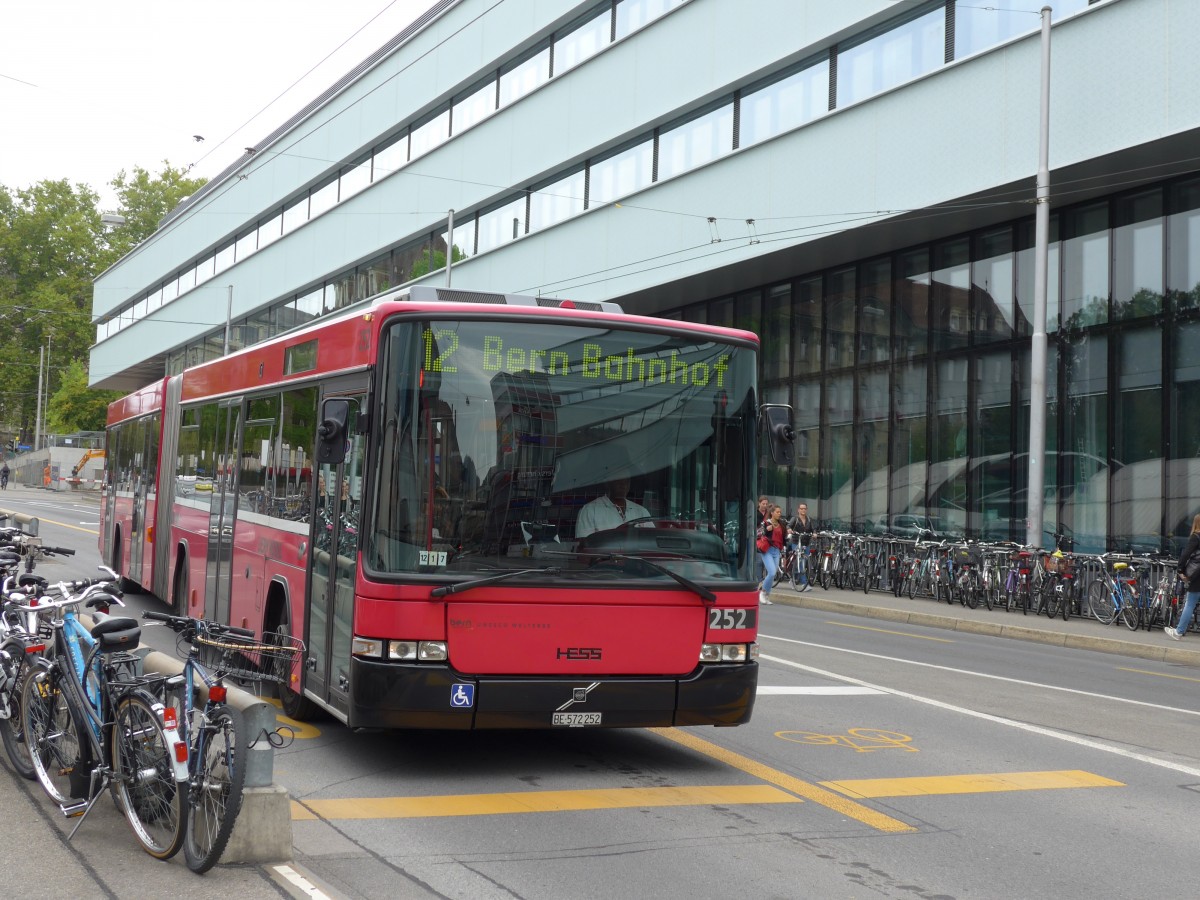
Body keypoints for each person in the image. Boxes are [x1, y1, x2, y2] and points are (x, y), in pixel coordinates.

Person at [576, 471, 650, 538]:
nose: (623, 485)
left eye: (627, 481)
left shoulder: (641, 512)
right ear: (607, 482)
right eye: (619, 481)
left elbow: (650, 541)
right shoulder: (590, 510)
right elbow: (584, 546)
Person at [1165, 513, 1200, 640]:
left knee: (1190, 604)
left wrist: (1180, 570)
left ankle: (1178, 632)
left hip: (1197, 576)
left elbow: (1185, 554)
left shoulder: (1196, 537)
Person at [759, 504, 785, 605]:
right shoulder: (765, 523)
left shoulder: (781, 524)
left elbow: (784, 537)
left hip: (777, 550)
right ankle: (763, 592)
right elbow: (759, 533)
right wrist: (766, 530)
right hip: (767, 550)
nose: (779, 514)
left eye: (780, 512)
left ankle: (767, 595)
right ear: (772, 513)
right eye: (777, 512)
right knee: (772, 572)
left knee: (772, 574)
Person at [788, 501, 815, 592]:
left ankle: (793, 580)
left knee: (803, 562)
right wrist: (789, 530)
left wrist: (814, 533)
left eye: (805, 509)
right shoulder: (795, 519)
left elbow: (813, 529)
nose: (803, 510)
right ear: (798, 510)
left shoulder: (809, 519)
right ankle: (804, 583)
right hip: (796, 542)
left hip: (805, 543)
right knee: (800, 563)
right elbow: (789, 526)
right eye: (801, 509)